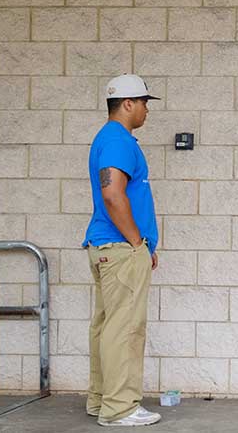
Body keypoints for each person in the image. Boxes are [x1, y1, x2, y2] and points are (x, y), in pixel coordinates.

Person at [82, 74, 162, 427]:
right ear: (128, 104)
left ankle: (102, 401)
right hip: (119, 249)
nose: (147, 109)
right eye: (144, 102)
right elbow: (112, 194)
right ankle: (121, 408)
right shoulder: (118, 141)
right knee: (124, 329)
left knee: (106, 327)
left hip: (105, 247)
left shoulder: (108, 139)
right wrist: (137, 242)